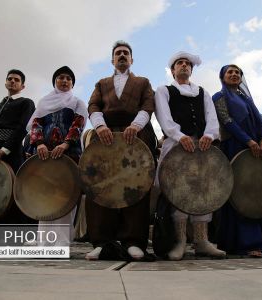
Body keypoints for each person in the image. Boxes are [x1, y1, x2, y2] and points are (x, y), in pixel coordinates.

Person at [86, 41, 157, 261]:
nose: (122, 56)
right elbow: (93, 106)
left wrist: (135, 126)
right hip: (105, 136)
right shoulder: (101, 83)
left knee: (136, 185)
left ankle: (134, 241)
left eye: (126, 53)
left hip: (136, 136)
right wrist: (100, 126)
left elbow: (148, 105)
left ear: (132, 59)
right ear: (112, 60)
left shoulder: (143, 82)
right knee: (100, 185)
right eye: (118, 53)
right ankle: (102, 241)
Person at [154, 51, 226, 260]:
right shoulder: (164, 90)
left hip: (202, 149)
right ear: (173, 69)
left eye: (187, 64)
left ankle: (202, 241)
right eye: (180, 63)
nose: (184, 66)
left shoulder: (202, 92)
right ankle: (180, 242)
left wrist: (209, 135)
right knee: (179, 193)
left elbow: (211, 117)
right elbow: (163, 116)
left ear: (191, 70)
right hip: (176, 148)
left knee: (203, 190)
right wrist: (178, 135)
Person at [212, 64, 262, 257]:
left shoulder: (247, 99)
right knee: (241, 194)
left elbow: (259, 121)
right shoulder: (219, 97)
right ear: (222, 77)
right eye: (230, 72)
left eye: (237, 72)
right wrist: (248, 140)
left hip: (257, 149)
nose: (234, 75)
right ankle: (248, 243)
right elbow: (227, 121)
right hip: (235, 147)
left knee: (261, 192)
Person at [27, 66, 88, 245]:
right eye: (61, 77)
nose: (64, 81)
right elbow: (36, 124)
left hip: (68, 154)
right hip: (45, 155)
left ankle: (61, 242)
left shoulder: (77, 102)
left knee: (65, 196)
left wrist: (66, 144)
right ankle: (43, 241)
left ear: (72, 83)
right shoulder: (44, 102)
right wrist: (40, 144)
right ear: (55, 81)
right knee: (45, 196)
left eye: (68, 78)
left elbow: (78, 125)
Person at [0, 69, 35, 224]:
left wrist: (4, 149)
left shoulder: (26, 103)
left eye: (16, 80)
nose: (12, 81)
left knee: (12, 192)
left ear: (22, 86)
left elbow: (22, 127)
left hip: (13, 152)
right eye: (9, 79)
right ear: (5, 82)